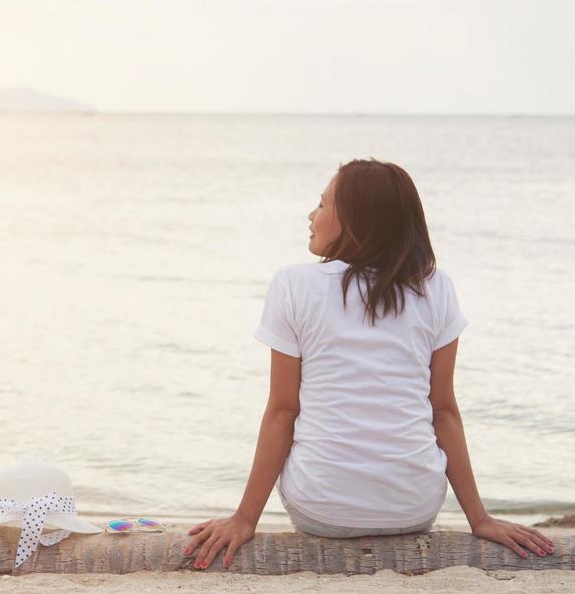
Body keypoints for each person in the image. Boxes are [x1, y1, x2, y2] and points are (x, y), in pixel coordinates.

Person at [184, 158, 555, 569]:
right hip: (413, 509)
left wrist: (244, 518)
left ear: (356, 220)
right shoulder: (436, 287)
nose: (311, 215)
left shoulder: (293, 284)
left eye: (322, 204)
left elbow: (283, 410)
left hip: (323, 511)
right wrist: (478, 518)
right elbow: (443, 410)